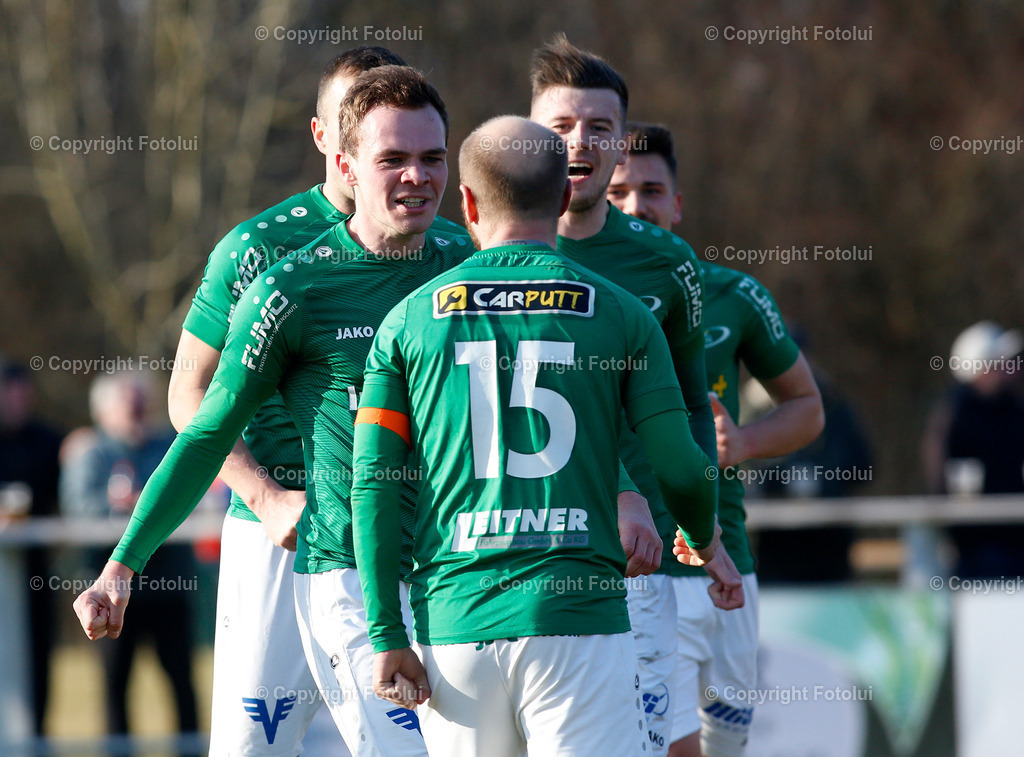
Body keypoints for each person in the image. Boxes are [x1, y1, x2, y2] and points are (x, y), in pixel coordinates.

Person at [74, 65, 475, 757]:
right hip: (320, 544)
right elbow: (198, 419)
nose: (416, 175)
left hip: (447, 556)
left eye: (432, 157)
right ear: (339, 154)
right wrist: (126, 562)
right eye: (393, 158)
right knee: (257, 744)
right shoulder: (281, 274)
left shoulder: (466, 261)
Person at [350, 114, 736, 757]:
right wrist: (701, 534)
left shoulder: (407, 321)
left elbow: (373, 488)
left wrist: (386, 632)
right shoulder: (623, 313)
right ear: (563, 199)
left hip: (456, 622)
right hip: (579, 623)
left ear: (467, 203)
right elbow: (681, 465)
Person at [529, 36, 728, 754]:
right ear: (528, 136)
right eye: (559, 126)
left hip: (633, 565)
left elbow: (689, 413)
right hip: (501, 564)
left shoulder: (668, 264)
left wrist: (703, 535)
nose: (579, 142)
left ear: (620, 144)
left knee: (656, 745)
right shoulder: (475, 251)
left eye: (599, 127)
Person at [607, 123, 824, 757]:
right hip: (639, 571)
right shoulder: (577, 294)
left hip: (726, 566)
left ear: (676, 204)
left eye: (651, 190)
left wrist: (744, 444)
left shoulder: (731, 295)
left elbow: (807, 407)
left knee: (726, 748)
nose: (635, 206)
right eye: (619, 191)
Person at [60, 371, 199, 752]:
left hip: (168, 585)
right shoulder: (88, 452)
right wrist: (122, 507)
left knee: (181, 680)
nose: (138, 410)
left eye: (141, 401)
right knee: (114, 684)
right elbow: (78, 509)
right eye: (128, 403)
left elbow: (189, 497)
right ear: (104, 410)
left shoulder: (172, 446)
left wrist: (147, 506)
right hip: (106, 590)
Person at [922, 320, 1024, 578]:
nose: (1013, 369)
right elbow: (940, 483)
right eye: (1002, 362)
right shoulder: (954, 415)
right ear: (980, 367)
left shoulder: (1013, 410)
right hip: (973, 552)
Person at [0, 360, 63, 737]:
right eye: (10, 393)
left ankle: (36, 741)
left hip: (36, 576)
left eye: (24, 393)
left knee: (39, 660)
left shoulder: (48, 441)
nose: (17, 401)